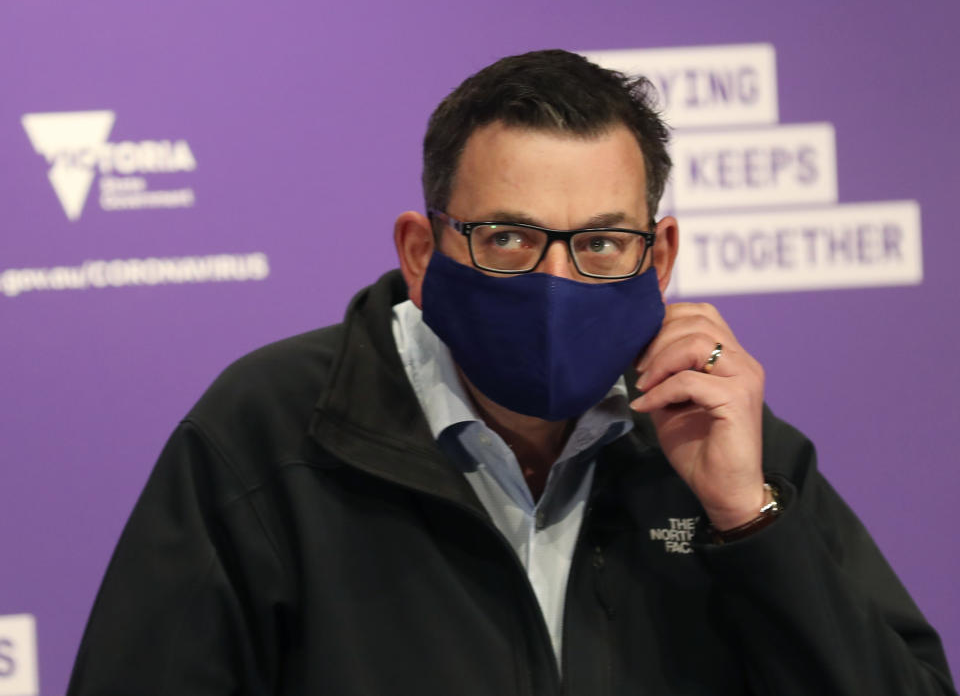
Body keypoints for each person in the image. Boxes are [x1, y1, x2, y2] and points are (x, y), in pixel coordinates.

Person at [67, 49, 955, 695]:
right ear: (421, 252)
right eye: (507, 239)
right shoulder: (265, 437)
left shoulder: (729, 450)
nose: (557, 282)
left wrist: (748, 522)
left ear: (660, 257)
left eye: (602, 242)